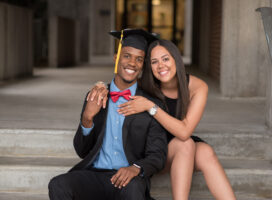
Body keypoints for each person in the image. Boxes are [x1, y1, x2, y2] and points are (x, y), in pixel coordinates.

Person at [90, 39, 236, 200]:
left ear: (176, 59)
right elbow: (119, 84)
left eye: (165, 59)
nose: (161, 66)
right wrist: (101, 86)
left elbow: (184, 131)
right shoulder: (144, 85)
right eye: (154, 62)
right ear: (149, 66)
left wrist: (150, 107)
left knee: (204, 151)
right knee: (186, 144)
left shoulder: (197, 87)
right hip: (151, 151)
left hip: (179, 141)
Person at [48, 29, 168, 200]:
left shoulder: (150, 104)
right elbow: (82, 151)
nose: (132, 63)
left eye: (139, 59)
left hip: (128, 179)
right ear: (116, 58)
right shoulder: (96, 96)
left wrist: (135, 168)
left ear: (143, 65)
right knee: (58, 185)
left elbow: (158, 155)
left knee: (134, 191)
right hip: (95, 175)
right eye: (127, 56)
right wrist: (87, 119)